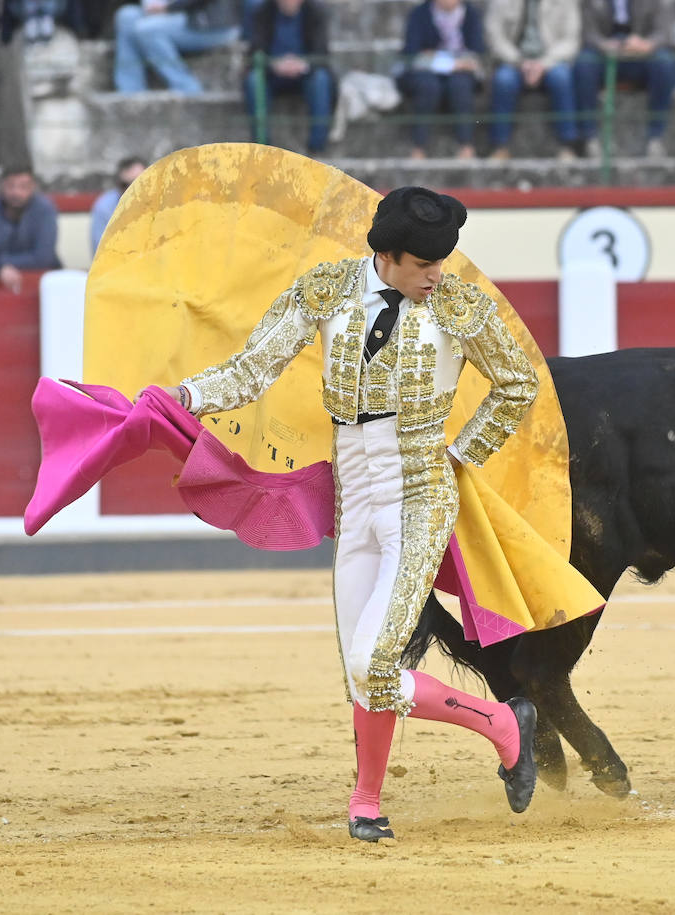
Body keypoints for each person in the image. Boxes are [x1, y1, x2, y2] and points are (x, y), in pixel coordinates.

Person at [158, 186, 540, 843]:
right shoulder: (327, 289)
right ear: (388, 256)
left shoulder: (457, 304)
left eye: (442, 263)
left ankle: (499, 724)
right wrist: (184, 396)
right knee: (361, 666)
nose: (437, 275)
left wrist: (461, 454)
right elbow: (254, 369)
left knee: (375, 659)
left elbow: (519, 382)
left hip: (419, 493)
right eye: (425, 266)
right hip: (355, 494)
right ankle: (371, 798)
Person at [573, 0, 675, 159]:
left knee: (665, 63)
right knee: (584, 64)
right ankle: (590, 138)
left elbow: (664, 32)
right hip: (604, 54)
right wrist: (604, 45)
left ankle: (655, 137)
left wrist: (647, 44)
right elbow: (587, 32)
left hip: (641, 54)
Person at [484, 0, 581, 160]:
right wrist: (520, 61)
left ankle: (567, 146)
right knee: (503, 80)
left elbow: (571, 41)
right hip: (514, 61)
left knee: (562, 78)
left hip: (551, 62)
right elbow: (494, 37)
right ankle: (499, 147)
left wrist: (543, 64)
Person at [398, 0, 487, 159]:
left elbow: (477, 54)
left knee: (460, 86)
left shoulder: (471, 14)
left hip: (459, 74)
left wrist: (436, 58)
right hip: (425, 73)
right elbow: (412, 55)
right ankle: (419, 147)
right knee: (428, 87)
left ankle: (466, 146)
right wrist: (451, 64)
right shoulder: (420, 14)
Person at [245, 0, 335, 154]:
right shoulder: (262, 12)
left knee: (321, 79)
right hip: (272, 75)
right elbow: (255, 51)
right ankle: (262, 147)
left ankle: (317, 148)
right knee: (254, 80)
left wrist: (302, 64)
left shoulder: (316, 12)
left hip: (306, 74)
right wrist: (275, 65)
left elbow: (321, 53)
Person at [0, 164, 62, 294]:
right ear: (1, 185)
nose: (16, 192)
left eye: (23, 186)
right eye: (10, 186)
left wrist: (1, 265)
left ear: (33, 186)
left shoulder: (46, 210)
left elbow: (43, 258)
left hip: (40, 291)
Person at [112, 0, 241, 94]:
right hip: (173, 14)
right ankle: (130, 90)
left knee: (146, 30)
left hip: (210, 22)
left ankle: (188, 88)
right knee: (126, 15)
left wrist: (168, 8)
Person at [90, 156, 147, 255]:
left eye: (140, 182)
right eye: (126, 185)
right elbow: (101, 254)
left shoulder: (164, 204)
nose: (132, 190)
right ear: (117, 184)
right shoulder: (105, 207)